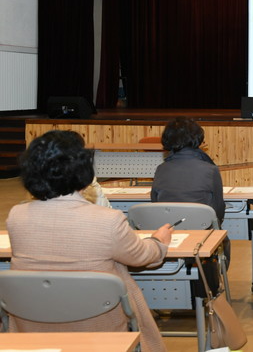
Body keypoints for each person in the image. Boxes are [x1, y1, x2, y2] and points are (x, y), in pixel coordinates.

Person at [7, 130, 172, 352]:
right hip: (99, 325)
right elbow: (142, 257)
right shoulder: (107, 220)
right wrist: (158, 241)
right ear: (83, 172)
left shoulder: (16, 217)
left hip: (33, 324)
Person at [151, 116, 225, 224]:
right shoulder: (210, 170)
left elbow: (155, 202)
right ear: (198, 137)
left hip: (168, 228)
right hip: (201, 228)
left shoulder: (161, 169)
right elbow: (218, 208)